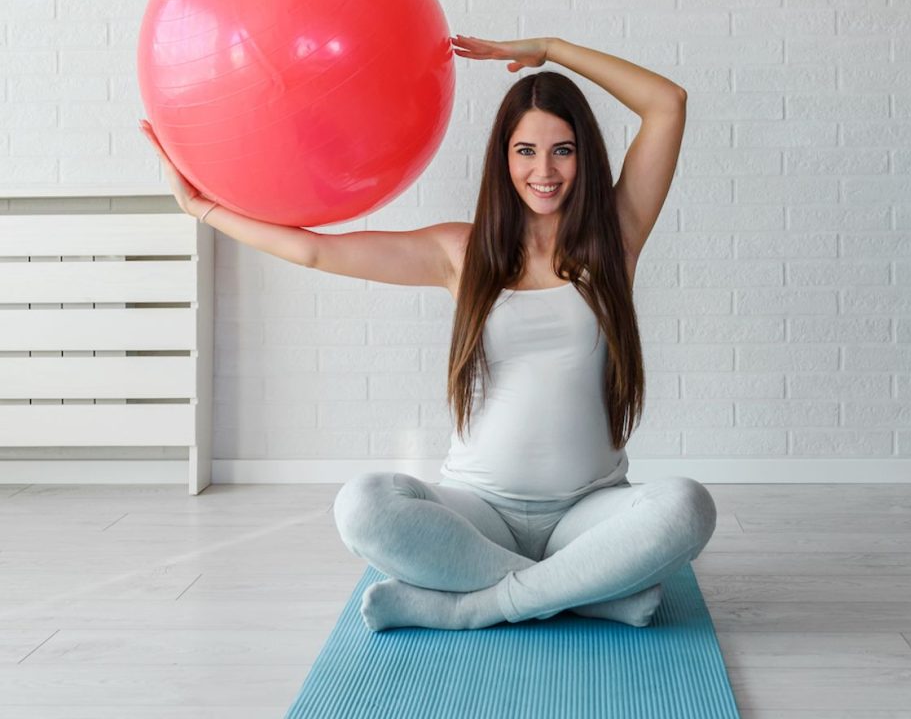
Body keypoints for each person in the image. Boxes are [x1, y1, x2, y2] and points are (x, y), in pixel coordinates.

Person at [141, 33, 716, 633]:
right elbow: (316, 251)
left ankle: (477, 604)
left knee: (685, 507)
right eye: (525, 151)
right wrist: (202, 209)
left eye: (562, 151)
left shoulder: (615, 240)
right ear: (503, 158)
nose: (543, 171)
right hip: (479, 511)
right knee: (361, 505)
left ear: (584, 156)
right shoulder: (460, 253)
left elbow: (666, 103)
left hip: (589, 509)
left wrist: (549, 48)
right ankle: (582, 591)